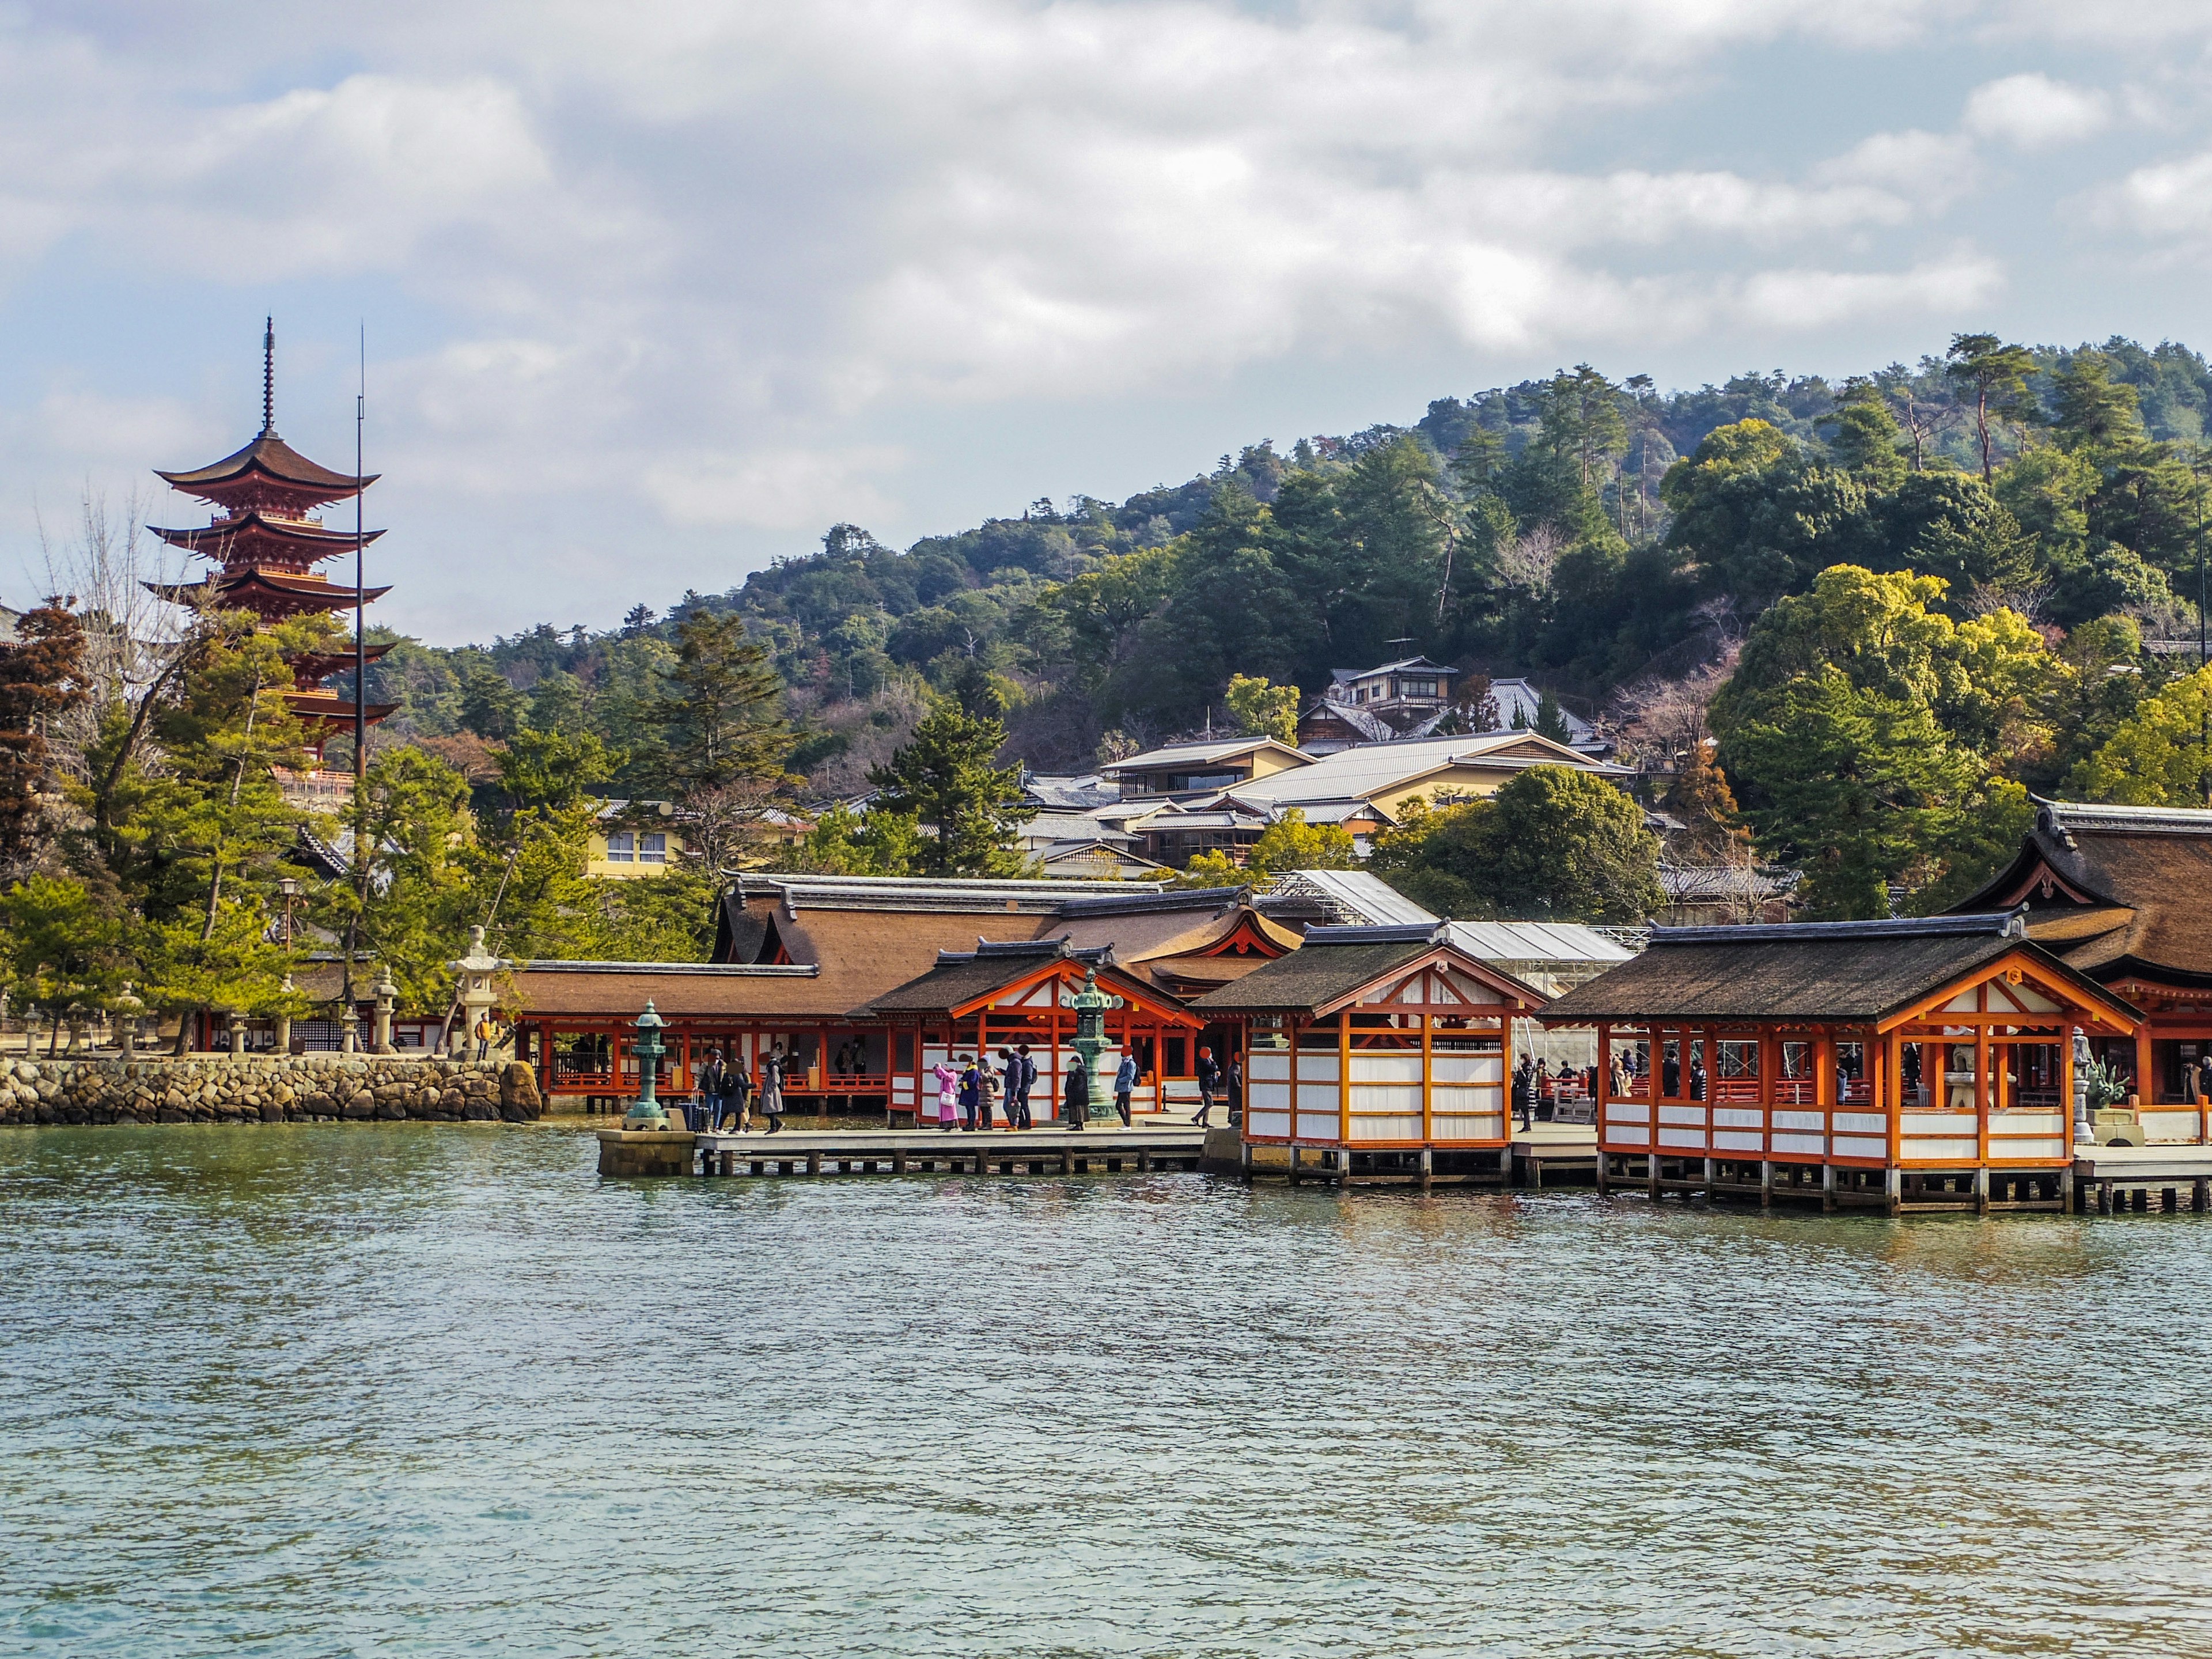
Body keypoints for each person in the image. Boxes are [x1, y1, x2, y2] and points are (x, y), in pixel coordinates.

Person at [1192, 1046, 1221, 1126]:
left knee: (1207, 1104)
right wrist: (1213, 1062)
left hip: (1208, 1084)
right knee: (1210, 1103)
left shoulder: (1206, 1060)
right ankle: (1196, 1118)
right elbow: (1212, 1068)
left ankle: (1205, 1122)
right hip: (1206, 1084)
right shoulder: (1203, 1061)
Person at [701, 1048, 728, 1131]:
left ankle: (716, 1126)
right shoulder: (706, 1065)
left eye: (718, 1058)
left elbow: (728, 1076)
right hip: (710, 1090)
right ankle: (707, 1125)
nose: (717, 1060)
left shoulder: (723, 1066)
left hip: (720, 1091)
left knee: (719, 1109)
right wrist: (696, 1085)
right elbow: (699, 1075)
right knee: (709, 1109)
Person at [932, 1057, 959, 1131]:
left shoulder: (953, 1074)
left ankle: (954, 1126)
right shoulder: (947, 1074)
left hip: (949, 1095)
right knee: (945, 1112)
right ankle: (947, 1126)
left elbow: (947, 1076)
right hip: (944, 1094)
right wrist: (936, 1069)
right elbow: (940, 1076)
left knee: (951, 1111)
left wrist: (940, 1069)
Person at [1014, 1044, 1036, 1130]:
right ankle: (1022, 1122)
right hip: (1022, 1087)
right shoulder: (1024, 1061)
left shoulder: (1027, 1063)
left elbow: (1028, 1077)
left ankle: (1027, 1124)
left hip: (1024, 1088)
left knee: (1024, 1106)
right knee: (1021, 1106)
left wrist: (1025, 1088)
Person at [1063, 1054, 1089, 1128]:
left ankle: (1077, 1125)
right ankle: (1081, 1125)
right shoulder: (1084, 1070)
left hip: (1074, 1093)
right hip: (1083, 1093)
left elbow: (1070, 1082)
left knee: (1075, 1110)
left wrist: (1067, 1091)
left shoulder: (1073, 1070)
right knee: (1082, 1109)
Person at [1113, 1050, 1137, 1126]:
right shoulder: (1124, 1062)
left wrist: (1121, 1080)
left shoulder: (1131, 1063)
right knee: (1119, 1105)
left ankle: (1127, 1123)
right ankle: (1126, 1122)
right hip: (1122, 1088)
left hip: (1127, 1087)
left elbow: (1131, 1076)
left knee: (1126, 1105)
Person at [958, 1055, 981, 1131]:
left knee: (971, 1108)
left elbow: (973, 1082)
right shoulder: (968, 1070)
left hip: (972, 1092)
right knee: (968, 1108)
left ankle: (972, 1124)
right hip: (967, 1092)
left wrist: (964, 1083)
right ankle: (969, 1123)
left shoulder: (974, 1071)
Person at [1226, 1052, 1243, 1127]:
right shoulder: (1237, 1067)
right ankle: (1235, 1120)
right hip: (1236, 1091)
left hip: (1231, 1090)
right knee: (1237, 1106)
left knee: (1232, 1105)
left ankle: (1231, 1118)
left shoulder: (1232, 1066)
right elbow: (1234, 1075)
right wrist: (1239, 1086)